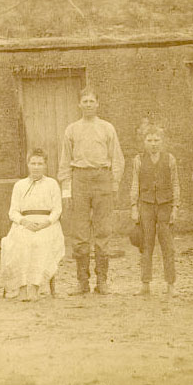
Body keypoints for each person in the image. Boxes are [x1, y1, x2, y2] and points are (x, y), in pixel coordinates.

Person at [58, 87, 125, 295]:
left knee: (103, 231)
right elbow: (64, 163)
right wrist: (67, 191)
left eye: (91, 101)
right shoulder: (72, 129)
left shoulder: (107, 128)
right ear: (79, 104)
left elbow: (117, 158)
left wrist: (114, 184)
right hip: (80, 179)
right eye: (84, 101)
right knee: (79, 232)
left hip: (102, 178)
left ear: (98, 103)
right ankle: (82, 282)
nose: (88, 104)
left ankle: (102, 281)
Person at [0, 149, 65, 301]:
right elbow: (13, 212)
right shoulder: (19, 185)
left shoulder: (52, 184)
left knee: (41, 242)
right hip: (24, 223)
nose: (36, 167)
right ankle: (22, 287)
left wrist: (45, 223)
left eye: (40, 164)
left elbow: (57, 210)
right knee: (19, 242)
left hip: (47, 224)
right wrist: (24, 221)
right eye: (33, 163)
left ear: (45, 166)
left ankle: (35, 287)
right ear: (28, 164)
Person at [130, 125, 180, 296]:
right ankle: (145, 284)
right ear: (144, 142)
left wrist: (175, 207)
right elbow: (135, 183)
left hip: (165, 205)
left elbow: (175, 184)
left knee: (168, 246)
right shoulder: (138, 160)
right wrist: (134, 207)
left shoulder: (170, 159)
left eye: (156, 140)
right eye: (149, 140)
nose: (153, 144)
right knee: (146, 244)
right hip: (146, 205)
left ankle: (171, 284)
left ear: (162, 141)